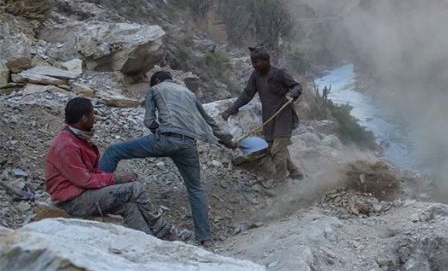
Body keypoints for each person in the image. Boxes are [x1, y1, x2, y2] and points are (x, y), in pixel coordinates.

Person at [99, 71, 236, 246]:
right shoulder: (188, 93)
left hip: (166, 139)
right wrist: (227, 141)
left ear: (156, 80)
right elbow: (210, 122)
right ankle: (205, 237)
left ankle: (96, 193)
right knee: (195, 189)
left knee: (114, 151)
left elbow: (149, 121)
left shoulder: (155, 89)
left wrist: (159, 130)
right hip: (188, 144)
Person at [45, 97, 189, 240]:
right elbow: (85, 180)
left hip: (80, 194)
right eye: (92, 115)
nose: (94, 119)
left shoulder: (76, 139)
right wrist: (116, 178)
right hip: (71, 201)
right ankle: (164, 231)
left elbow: (92, 174)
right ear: (84, 118)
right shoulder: (67, 146)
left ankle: (149, 240)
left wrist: (114, 181)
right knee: (134, 188)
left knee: (129, 206)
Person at [221, 47, 304, 181]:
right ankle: (296, 174)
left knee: (277, 150)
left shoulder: (279, 73)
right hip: (269, 118)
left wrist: (292, 94)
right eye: (252, 62)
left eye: (257, 62)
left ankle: (281, 184)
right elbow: (247, 94)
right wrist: (231, 109)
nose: (254, 65)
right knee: (274, 150)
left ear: (266, 61)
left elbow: (297, 86)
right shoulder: (255, 76)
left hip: (283, 116)